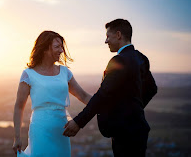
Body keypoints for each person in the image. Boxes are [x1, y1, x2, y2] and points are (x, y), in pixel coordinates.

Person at [63, 19, 157, 157]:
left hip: (125, 134)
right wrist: (134, 109)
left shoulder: (119, 61)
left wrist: (78, 122)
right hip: (138, 129)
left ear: (118, 35)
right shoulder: (141, 58)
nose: (106, 41)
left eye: (108, 36)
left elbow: (102, 95)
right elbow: (152, 89)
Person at [12, 30, 92, 157]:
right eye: (57, 47)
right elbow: (19, 107)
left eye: (61, 46)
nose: (61, 50)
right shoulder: (29, 74)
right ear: (44, 49)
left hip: (62, 130)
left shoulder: (65, 72)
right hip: (40, 129)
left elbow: (84, 96)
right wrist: (17, 137)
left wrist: (106, 105)